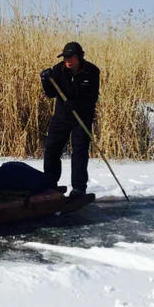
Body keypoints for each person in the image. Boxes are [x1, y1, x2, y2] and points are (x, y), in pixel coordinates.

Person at [40, 41, 100, 197]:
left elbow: (92, 97)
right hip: (61, 117)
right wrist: (45, 80)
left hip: (82, 117)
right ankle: (50, 183)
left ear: (79, 57)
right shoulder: (58, 70)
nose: (67, 61)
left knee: (79, 151)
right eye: (65, 57)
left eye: (70, 58)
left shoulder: (92, 71)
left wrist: (75, 105)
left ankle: (79, 188)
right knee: (52, 148)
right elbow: (51, 93)